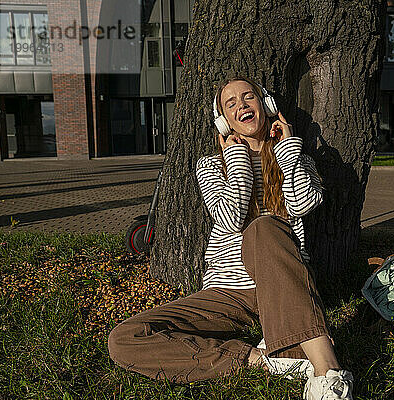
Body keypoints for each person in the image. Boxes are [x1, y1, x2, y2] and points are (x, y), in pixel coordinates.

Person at [107, 75, 354, 400]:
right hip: (228, 292)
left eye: (248, 97)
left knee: (263, 228)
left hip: (280, 284)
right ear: (223, 121)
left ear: (266, 106)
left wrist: (285, 148)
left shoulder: (298, 158)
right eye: (231, 103)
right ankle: (258, 360)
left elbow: (301, 203)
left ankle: (328, 374)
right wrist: (237, 162)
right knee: (124, 338)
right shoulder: (210, 165)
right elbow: (231, 218)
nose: (242, 106)